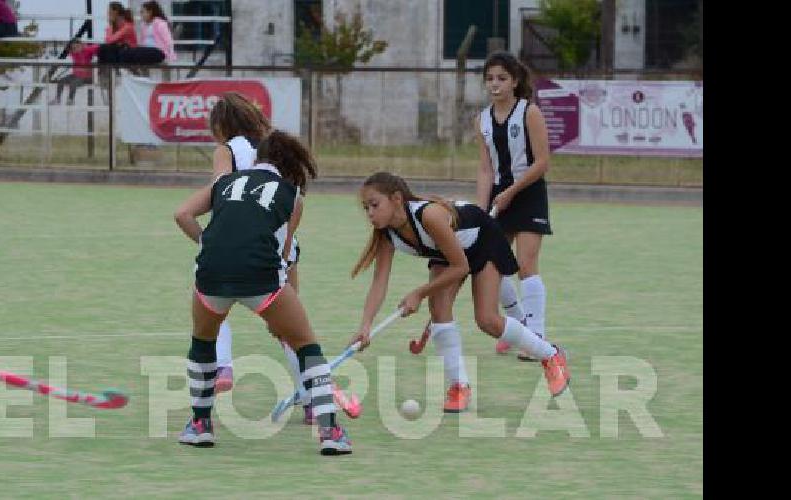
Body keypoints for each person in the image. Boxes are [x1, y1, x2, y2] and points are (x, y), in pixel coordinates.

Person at [173, 131, 354, 455]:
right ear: (291, 166)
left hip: (211, 273)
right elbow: (283, 254)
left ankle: (200, 425)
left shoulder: (223, 183)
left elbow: (182, 214)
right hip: (261, 277)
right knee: (306, 345)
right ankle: (331, 431)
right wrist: (278, 315)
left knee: (202, 341)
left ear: (258, 159)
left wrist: (209, 245)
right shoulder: (292, 197)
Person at [348, 172, 571, 412]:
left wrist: (420, 293)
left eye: (374, 205)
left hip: (483, 240)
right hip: (447, 253)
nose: (370, 213)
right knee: (439, 311)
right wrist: (365, 325)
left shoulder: (429, 216)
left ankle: (550, 355)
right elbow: (379, 282)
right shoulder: (387, 234)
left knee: (487, 321)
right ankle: (459, 386)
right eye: (365, 208)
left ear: (396, 199)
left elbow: (461, 266)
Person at [204, 93, 356, 425]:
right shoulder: (272, 148)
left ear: (221, 126)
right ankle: (312, 401)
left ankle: (222, 365)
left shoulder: (226, 150)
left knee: (211, 304)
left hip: (237, 245)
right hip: (283, 245)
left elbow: (218, 194)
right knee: (291, 330)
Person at [474, 52, 554, 361]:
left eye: (502, 78)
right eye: (490, 78)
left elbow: (543, 161)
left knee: (525, 265)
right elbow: (485, 169)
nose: (495, 84)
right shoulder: (480, 119)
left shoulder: (529, 112)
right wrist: (480, 212)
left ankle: (537, 338)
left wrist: (511, 191)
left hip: (529, 192)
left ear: (515, 81)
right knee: (493, 267)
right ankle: (518, 324)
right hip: (498, 197)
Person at [50, 40, 99, 105]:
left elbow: (97, 48)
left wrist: (87, 48)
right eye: (74, 48)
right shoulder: (73, 53)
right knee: (61, 81)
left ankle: (70, 100)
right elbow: (67, 50)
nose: (76, 49)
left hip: (87, 77)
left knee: (73, 83)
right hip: (76, 75)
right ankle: (57, 99)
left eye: (77, 46)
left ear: (82, 45)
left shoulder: (87, 50)